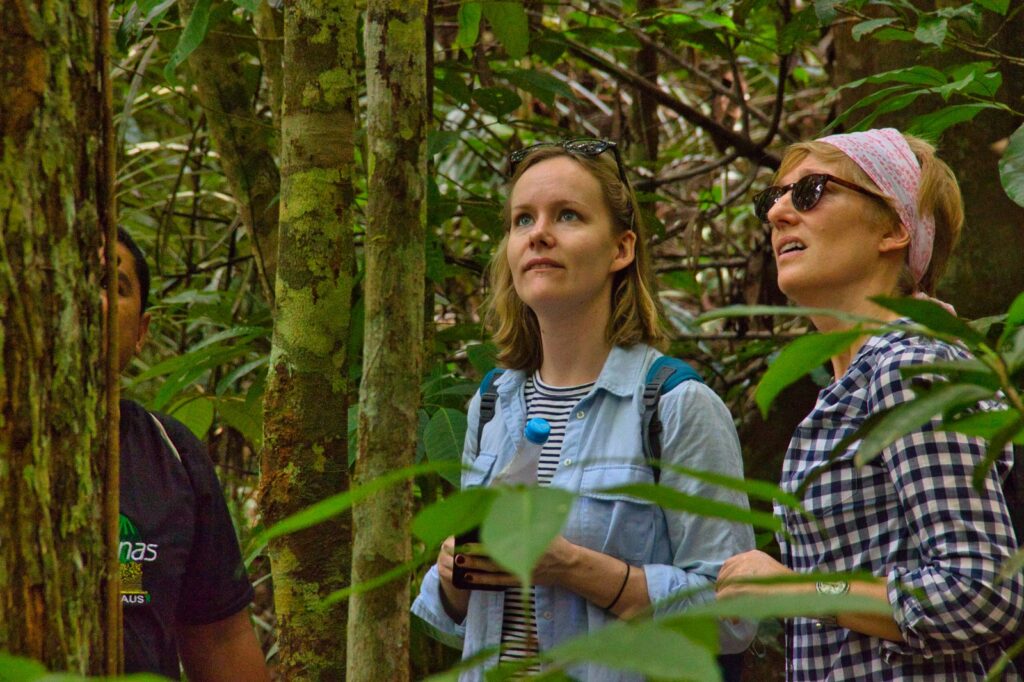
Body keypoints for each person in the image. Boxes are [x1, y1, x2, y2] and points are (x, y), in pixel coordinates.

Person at [411, 139, 756, 680]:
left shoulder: (676, 405)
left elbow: (734, 617)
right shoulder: (489, 404)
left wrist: (571, 566)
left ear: (621, 249)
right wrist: (456, 570)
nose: (539, 234)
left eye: (567, 215)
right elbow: (457, 615)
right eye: (522, 220)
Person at [715, 128, 1024, 680]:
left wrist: (797, 589)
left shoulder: (914, 368)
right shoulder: (857, 383)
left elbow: (982, 590)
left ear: (895, 229)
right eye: (773, 198)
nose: (778, 214)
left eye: (810, 191)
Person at [101, 228, 269, 681]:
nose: (89, 300)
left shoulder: (171, 454)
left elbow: (220, 639)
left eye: (111, 286)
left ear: (142, 331)